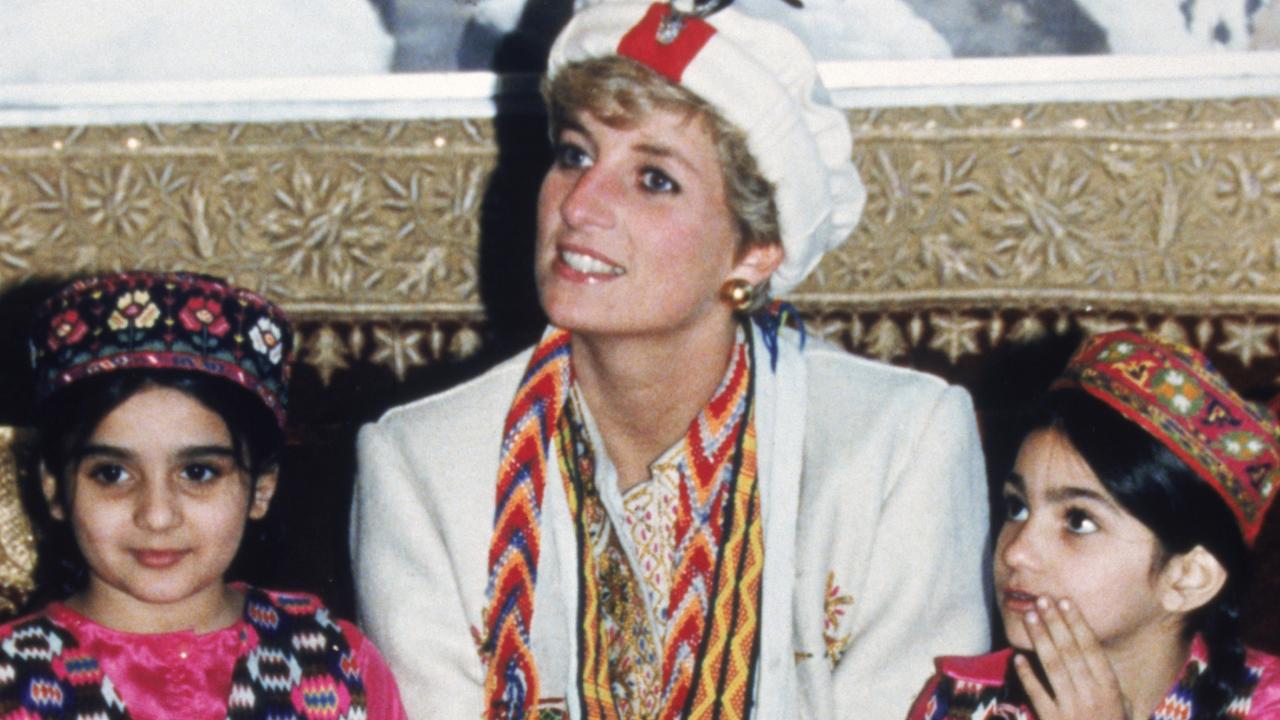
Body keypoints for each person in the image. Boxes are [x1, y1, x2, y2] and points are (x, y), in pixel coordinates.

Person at [351, 2, 991, 717]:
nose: (581, 205)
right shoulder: (422, 464)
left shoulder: (897, 446)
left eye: (655, 178)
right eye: (575, 154)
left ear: (754, 253)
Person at [12, 271, 407, 719]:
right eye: (112, 473)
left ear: (262, 487)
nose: (157, 516)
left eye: (198, 472)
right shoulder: (12, 682)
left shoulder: (335, 665)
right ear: (54, 489)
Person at [908, 330, 1280, 720]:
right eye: (1017, 507)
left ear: (1187, 577)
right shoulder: (960, 703)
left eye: (1078, 521)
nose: (1016, 551)